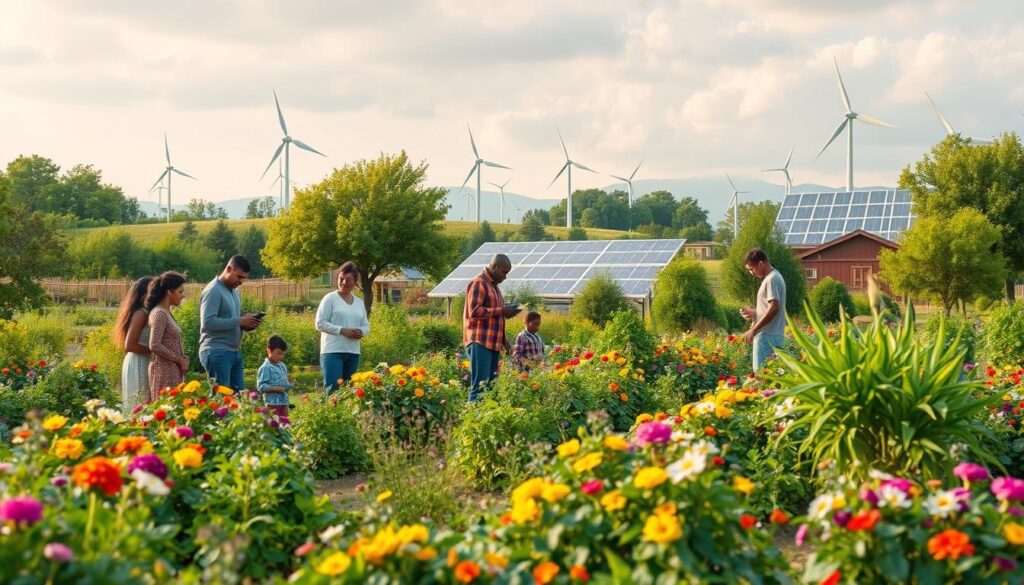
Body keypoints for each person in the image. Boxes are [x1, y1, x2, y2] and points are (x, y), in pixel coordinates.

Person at [199, 255, 262, 391]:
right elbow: (208, 322)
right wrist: (240, 320)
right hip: (217, 350)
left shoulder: (234, 292)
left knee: (239, 399)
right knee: (222, 400)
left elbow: (231, 321)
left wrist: (247, 324)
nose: (241, 281)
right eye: (239, 277)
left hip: (233, 351)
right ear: (229, 269)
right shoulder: (213, 290)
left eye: (244, 278)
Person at [463, 253, 521, 402]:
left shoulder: (495, 288)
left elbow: (495, 316)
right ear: (494, 267)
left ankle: (484, 421)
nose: (505, 277)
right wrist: (502, 310)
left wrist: (504, 341)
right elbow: (474, 311)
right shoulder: (479, 283)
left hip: (493, 344)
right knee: (480, 388)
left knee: (489, 387)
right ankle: (472, 422)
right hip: (479, 342)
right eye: (504, 272)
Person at [315, 261, 370, 393]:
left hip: (353, 352)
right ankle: (330, 413)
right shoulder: (330, 298)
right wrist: (342, 330)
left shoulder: (359, 302)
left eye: (348, 279)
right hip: (332, 351)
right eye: (341, 279)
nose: (344, 282)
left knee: (350, 391)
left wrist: (361, 332)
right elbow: (320, 323)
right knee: (333, 389)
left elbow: (366, 326)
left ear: (355, 281)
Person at [740, 248, 788, 373]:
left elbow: (774, 307)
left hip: (767, 336)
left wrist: (753, 329)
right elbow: (771, 307)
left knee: (761, 376)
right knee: (772, 377)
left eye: (752, 269)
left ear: (761, 263)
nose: (752, 273)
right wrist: (755, 312)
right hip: (773, 335)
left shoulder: (772, 279)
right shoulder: (773, 277)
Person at [114, 276, 154, 412]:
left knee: (146, 404)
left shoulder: (149, 313)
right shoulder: (141, 314)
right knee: (139, 405)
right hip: (138, 361)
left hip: (142, 360)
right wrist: (155, 351)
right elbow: (129, 345)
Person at [146, 271, 188, 396]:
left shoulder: (166, 312)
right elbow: (154, 345)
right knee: (166, 409)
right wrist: (179, 359)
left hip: (172, 370)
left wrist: (183, 359)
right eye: (180, 292)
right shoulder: (159, 313)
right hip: (163, 371)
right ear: (169, 292)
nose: (183, 295)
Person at [256, 335, 293, 417]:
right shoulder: (266, 367)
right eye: (279, 353)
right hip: (272, 404)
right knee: (274, 424)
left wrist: (290, 383)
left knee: (285, 424)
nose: (281, 357)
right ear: (269, 351)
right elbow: (261, 386)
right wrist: (275, 389)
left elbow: (285, 386)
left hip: (284, 401)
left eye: (283, 354)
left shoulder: (282, 366)